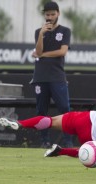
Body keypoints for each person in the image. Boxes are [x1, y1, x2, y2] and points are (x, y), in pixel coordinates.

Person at [0, 102, 96, 159]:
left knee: (51, 121)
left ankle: (20, 123)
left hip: (85, 117)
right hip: (92, 134)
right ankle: (61, 151)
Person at [31, 1, 73, 148]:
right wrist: (42, 34)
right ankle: (45, 141)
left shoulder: (65, 31)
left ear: (58, 14)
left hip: (57, 77)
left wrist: (41, 55)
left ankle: (68, 142)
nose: (50, 17)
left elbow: (62, 51)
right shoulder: (38, 31)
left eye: (52, 14)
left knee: (64, 109)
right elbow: (39, 50)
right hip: (40, 77)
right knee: (41, 110)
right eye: (47, 14)